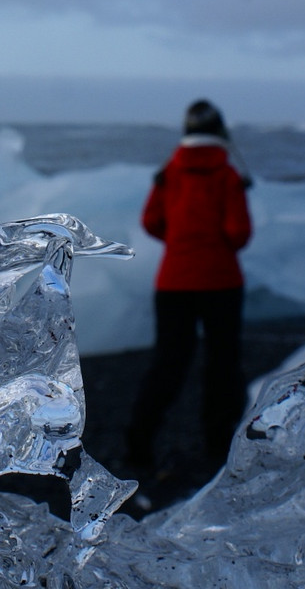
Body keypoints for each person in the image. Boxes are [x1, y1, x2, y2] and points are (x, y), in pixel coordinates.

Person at [124, 99, 253, 477]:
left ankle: (139, 444)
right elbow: (238, 233)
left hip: (175, 281)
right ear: (219, 132)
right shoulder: (228, 175)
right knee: (222, 363)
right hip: (221, 281)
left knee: (168, 363)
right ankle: (217, 443)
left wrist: (180, 242)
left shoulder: (169, 173)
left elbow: (151, 221)